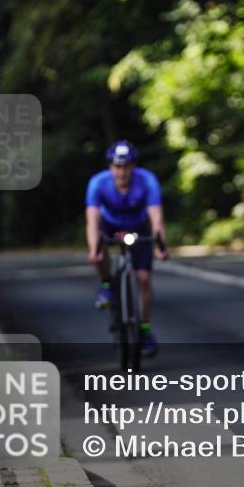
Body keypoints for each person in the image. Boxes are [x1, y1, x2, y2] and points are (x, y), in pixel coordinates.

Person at [86, 140, 168, 357]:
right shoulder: (98, 183)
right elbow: (92, 220)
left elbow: (156, 216)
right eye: (117, 166)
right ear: (110, 167)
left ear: (134, 166)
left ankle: (145, 330)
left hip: (137, 226)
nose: (121, 171)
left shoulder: (147, 180)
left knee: (143, 279)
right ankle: (106, 284)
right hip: (109, 225)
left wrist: (161, 244)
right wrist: (94, 248)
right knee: (98, 254)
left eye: (126, 166)